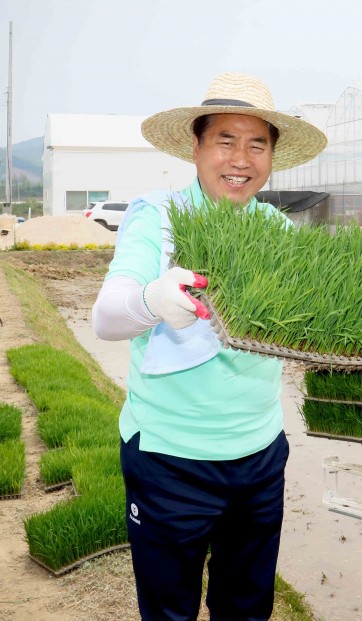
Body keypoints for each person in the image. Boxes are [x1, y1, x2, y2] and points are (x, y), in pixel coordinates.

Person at [92, 73, 327, 621]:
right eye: (225, 140)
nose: (240, 158)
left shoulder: (275, 229)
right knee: (170, 610)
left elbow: (313, 322)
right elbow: (106, 315)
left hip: (260, 457)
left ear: (272, 156)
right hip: (170, 460)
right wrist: (152, 300)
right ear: (196, 148)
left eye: (257, 144)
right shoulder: (159, 218)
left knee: (246, 608)